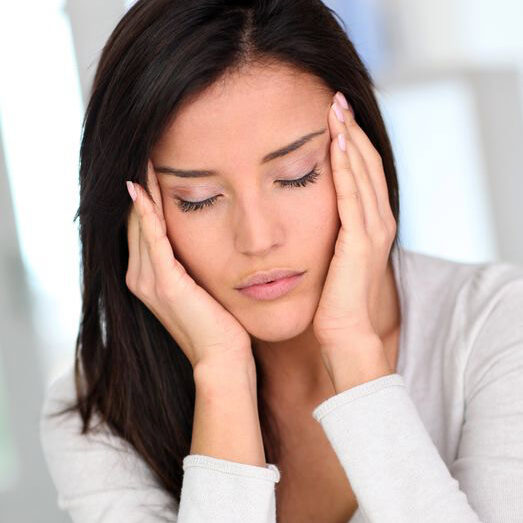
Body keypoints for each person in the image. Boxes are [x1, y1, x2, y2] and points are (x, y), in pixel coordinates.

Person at [39, 1, 523, 522]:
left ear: (364, 153)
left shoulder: (498, 330)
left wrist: (352, 350)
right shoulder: (101, 411)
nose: (258, 238)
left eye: (296, 176)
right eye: (198, 198)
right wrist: (221, 377)